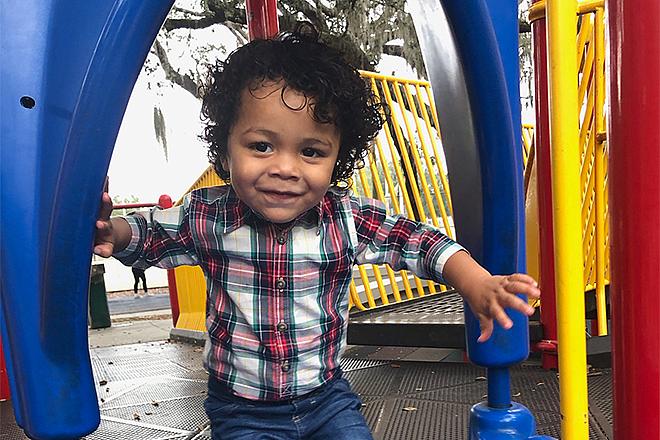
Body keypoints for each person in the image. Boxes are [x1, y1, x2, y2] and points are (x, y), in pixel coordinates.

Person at [93, 23, 540, 440]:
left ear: (335, 160)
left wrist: (476, 282)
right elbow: (149, 234)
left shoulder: (345, 217)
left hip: (326, 399)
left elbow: (418, 242)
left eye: (310, 151)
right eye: (261, 146)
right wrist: (112, 231)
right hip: (241, 408)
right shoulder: (208, 216)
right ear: (226, 151)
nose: (285, 168)